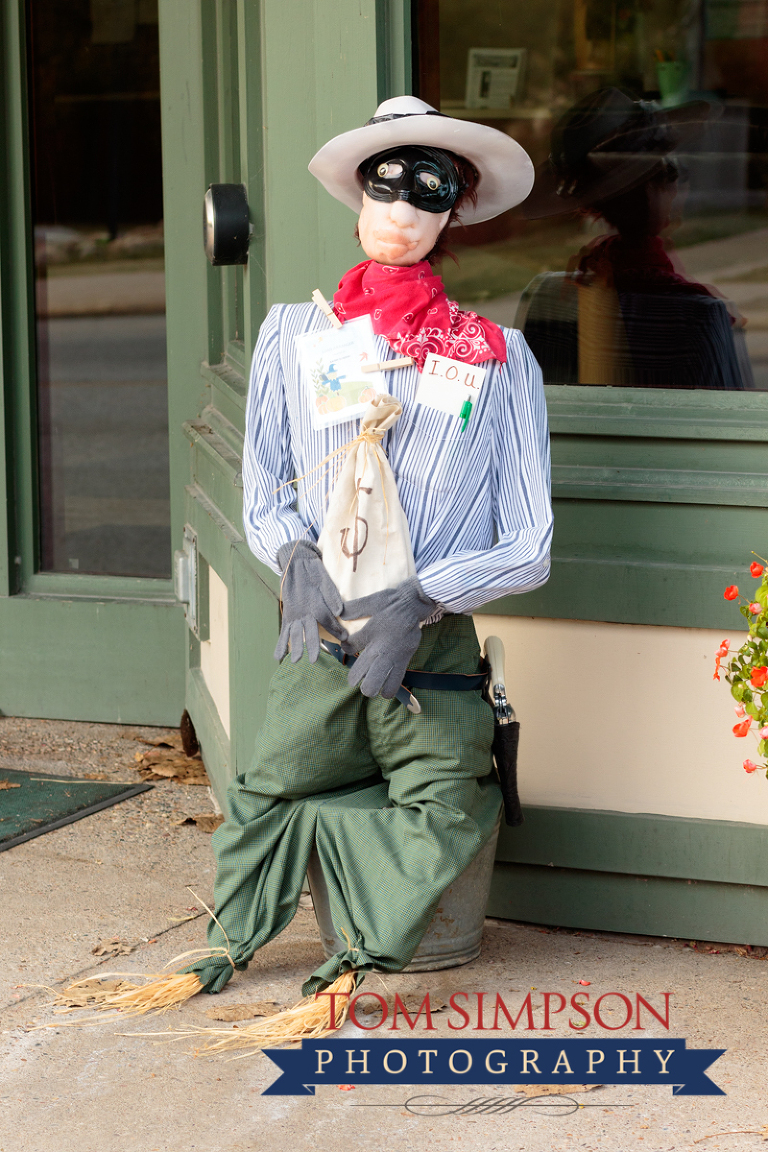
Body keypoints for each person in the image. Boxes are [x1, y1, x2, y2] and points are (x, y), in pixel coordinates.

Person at [76, 98, 552, 1026]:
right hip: (324, 628)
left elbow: (529, 544)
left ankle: (363, 950)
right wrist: (292, 553)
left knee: (451, 809)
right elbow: (264, 485)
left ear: (456, 210)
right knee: (268, 793)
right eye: (388, 187)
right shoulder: (295, 338)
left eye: (432, 191)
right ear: (356, 197)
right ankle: (231, 943)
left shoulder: (500, 360)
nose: (405, 211)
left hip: (434, 655)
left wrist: (423, 600)